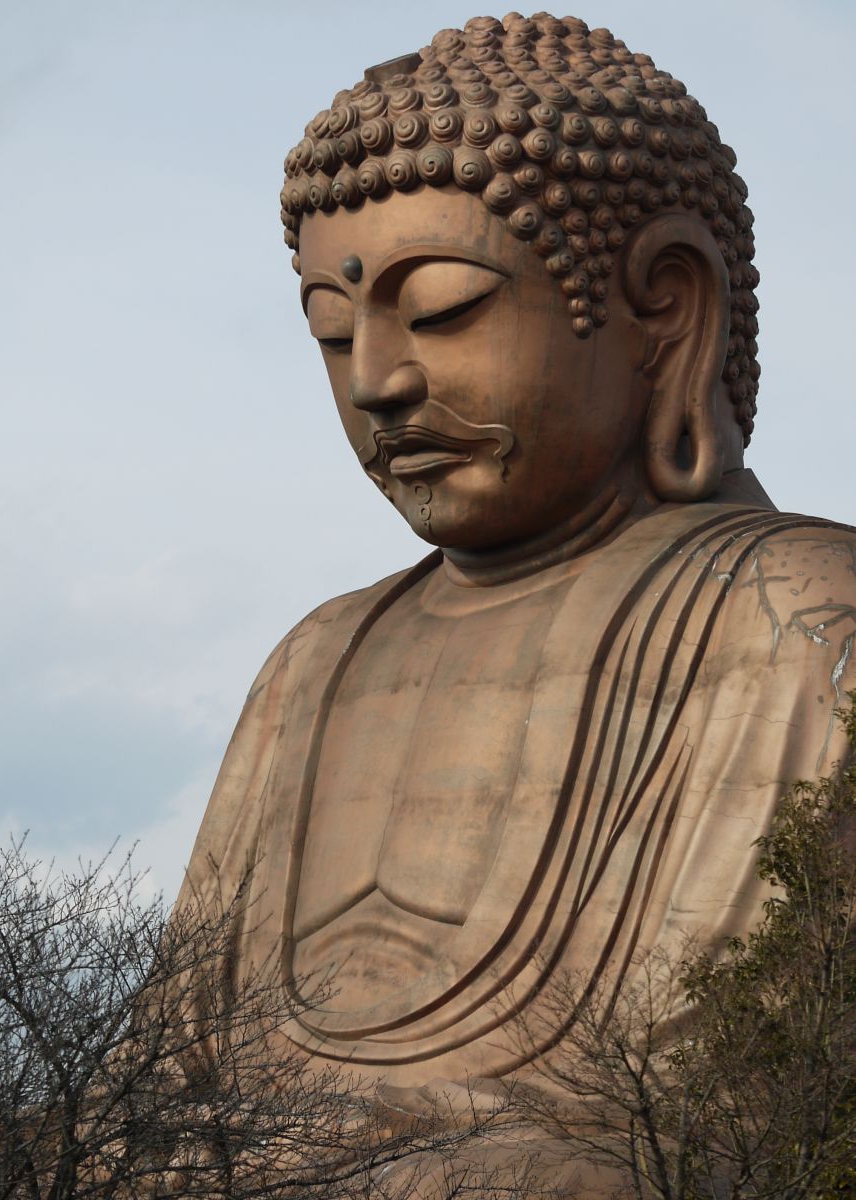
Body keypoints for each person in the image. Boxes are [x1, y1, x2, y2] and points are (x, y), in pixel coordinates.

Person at [180, 6, 856, 1129]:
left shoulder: (799, 621)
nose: (376, 382)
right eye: (332, 331)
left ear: (666, 306)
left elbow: (730, 1101)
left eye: (442, 310)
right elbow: (167, 1070)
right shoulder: (315, 662)